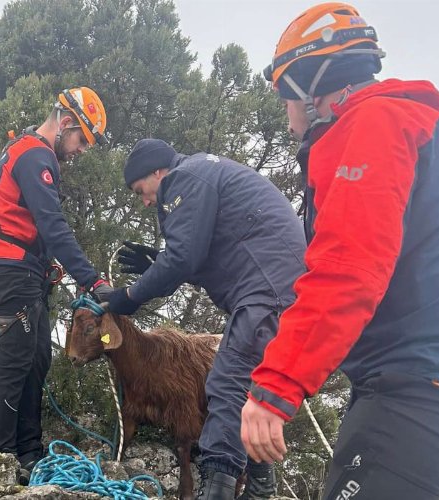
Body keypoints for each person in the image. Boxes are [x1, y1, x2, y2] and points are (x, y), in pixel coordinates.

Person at [241, 3, 439, 499]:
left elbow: (349, 268)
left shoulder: (372, 125)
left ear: (305, 83)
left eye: (284, 96)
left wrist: (276, 384)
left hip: (413, 392)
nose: (286, 111)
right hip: (435, 389)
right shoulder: (424, 129)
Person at [106, 138, 307, 500]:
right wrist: (158, 261)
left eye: (141, 191)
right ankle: (261, 486)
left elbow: (184, 258)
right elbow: (204, 253)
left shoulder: (186, 177)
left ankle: (217, 488)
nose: (146, 201)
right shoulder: (203, 172)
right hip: (276, 285)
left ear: (157, 171)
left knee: (226, 381)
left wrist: (130, 296)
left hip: (267, 290)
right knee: (249, 388)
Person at [0, 87, 113, 484]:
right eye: (83, 139)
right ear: (67, 122)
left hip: (18, 272)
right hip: (9, 271)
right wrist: (93, 280)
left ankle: (29, 453)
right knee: (17, 361)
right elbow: (53, 227)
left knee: (37, 359)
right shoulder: (36, 155)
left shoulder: (25, 152)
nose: (82, 150)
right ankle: (1, 459)